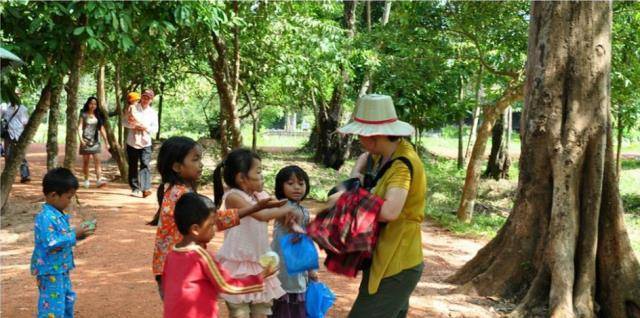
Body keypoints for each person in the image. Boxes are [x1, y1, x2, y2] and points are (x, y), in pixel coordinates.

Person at [150, 136, 287, 298]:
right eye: (195, 159)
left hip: (174, 265)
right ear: (177, 167)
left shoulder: (175, 190)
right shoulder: (180, 194)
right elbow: (212, 221)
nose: (200, 164)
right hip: (179, 268)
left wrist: (254, 208)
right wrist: (255, 208)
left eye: (200, 159)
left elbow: (210, 221)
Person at [336, 94, 427, 318]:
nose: (358, 139)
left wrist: (346, 198)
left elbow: (389, 211)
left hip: (396, 264)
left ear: (374, 136)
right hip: (384, 259)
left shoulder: (402, 166)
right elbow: (363, 174)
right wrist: (357, 173)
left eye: (360, 134)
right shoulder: (380, 156)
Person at [214, 149, 303, 318]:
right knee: (239, 312)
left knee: (262, 311)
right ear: (242, 178)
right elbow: (262, 215)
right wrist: (287, 209)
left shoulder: (260, 195)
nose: (263, 176)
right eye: (259, 171)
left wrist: (287, 211)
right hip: (237, 264)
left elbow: (278, 206)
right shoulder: (233, 196)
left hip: (260, 262)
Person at [162, 193, 277, 318]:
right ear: (195, 229)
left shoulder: (171, 255)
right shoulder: (202, 256)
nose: (215, 229)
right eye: (211, 225)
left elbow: (167, 288)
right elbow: (228, 285)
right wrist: (261, 276)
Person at [30, 168, 95, 318]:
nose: (70, 201)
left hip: (60, 268)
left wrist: (80, 234)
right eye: (68, 197)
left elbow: (62, 238)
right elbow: (51, 242)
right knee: (52, 307)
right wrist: (74, 234)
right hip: (50, 270)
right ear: (53, 195)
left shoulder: (57, 214)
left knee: (67, 299)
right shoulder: (45, 217)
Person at [270, 165, 318, 318]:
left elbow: (304, 241)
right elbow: (294, 227)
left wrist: (310, 268)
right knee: (285, 298)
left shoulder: (303, 210)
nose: (297, 187)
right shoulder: (283, 207)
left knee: (295, 296)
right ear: (280, 186)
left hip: (297, 261)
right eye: (290, 184)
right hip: (284, 263)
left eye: (301, 183)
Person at [122, 89, 158, 198]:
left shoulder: (153, 113)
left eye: (148, 98)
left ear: (151, 100)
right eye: (144, 97)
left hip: (146, 142)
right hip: (132, 141)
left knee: (145, 164)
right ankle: (134, 188)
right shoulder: (132, 108)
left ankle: (145, 188)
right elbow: (124, 122)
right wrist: (134, 126)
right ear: (141, 97)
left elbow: (155, 129)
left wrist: (145, 128)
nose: (145, 99)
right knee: (133, 165)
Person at [77, 96, 109, 188]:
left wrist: (106, 141)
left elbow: (102, 129)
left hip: (95, 141)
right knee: (86, 162)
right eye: (91, 103)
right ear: (88, 104)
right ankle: (86, 180)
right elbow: (79, 128)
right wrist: (81, 140)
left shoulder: (98, 116)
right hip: (85, 141)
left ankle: (99, 180)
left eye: (95, 104)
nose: (93, 105)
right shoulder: (83, 114)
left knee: (97, 160)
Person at [1, 88, 30, 182]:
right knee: (7, 155)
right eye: (14, 95)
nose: (15, 97)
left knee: (21, 155)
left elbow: (26, 124)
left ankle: (24, 176)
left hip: (19, 135)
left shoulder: (22, 109)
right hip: (8, 134)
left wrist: (26, 137)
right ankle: (7, 177)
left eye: (17, 95)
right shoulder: (4, 107)